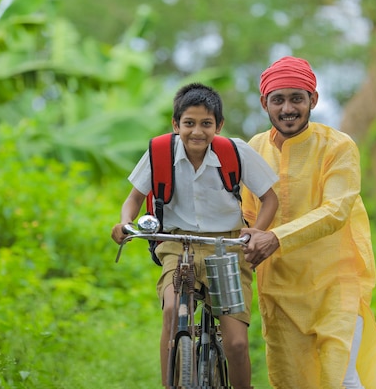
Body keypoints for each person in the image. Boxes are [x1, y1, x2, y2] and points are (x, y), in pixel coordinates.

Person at [240, 56, 376, 388]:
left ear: (313, 99)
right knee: (291, 382)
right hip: (279, 292)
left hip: (333, 287)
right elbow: (249, 214)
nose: (287, 108)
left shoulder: (338, 146)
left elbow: (337, 210)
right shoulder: (253, 149)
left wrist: (275, 238)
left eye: (296, 98)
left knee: (341, 379)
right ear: (263, 103)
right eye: (277, 99)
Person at [111, 82, 279, 389]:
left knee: (237, 344)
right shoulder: (159, 152)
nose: (197, 132)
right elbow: (133, 199)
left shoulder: (236, 152)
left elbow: (271, 198)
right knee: (173, 310)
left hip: (226, 248)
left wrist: (257, 232)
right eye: (189, 123)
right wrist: (125, 223)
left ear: (219, 125)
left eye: (206, 124)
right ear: (176, 124)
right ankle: (169, 384)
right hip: (178, 244)